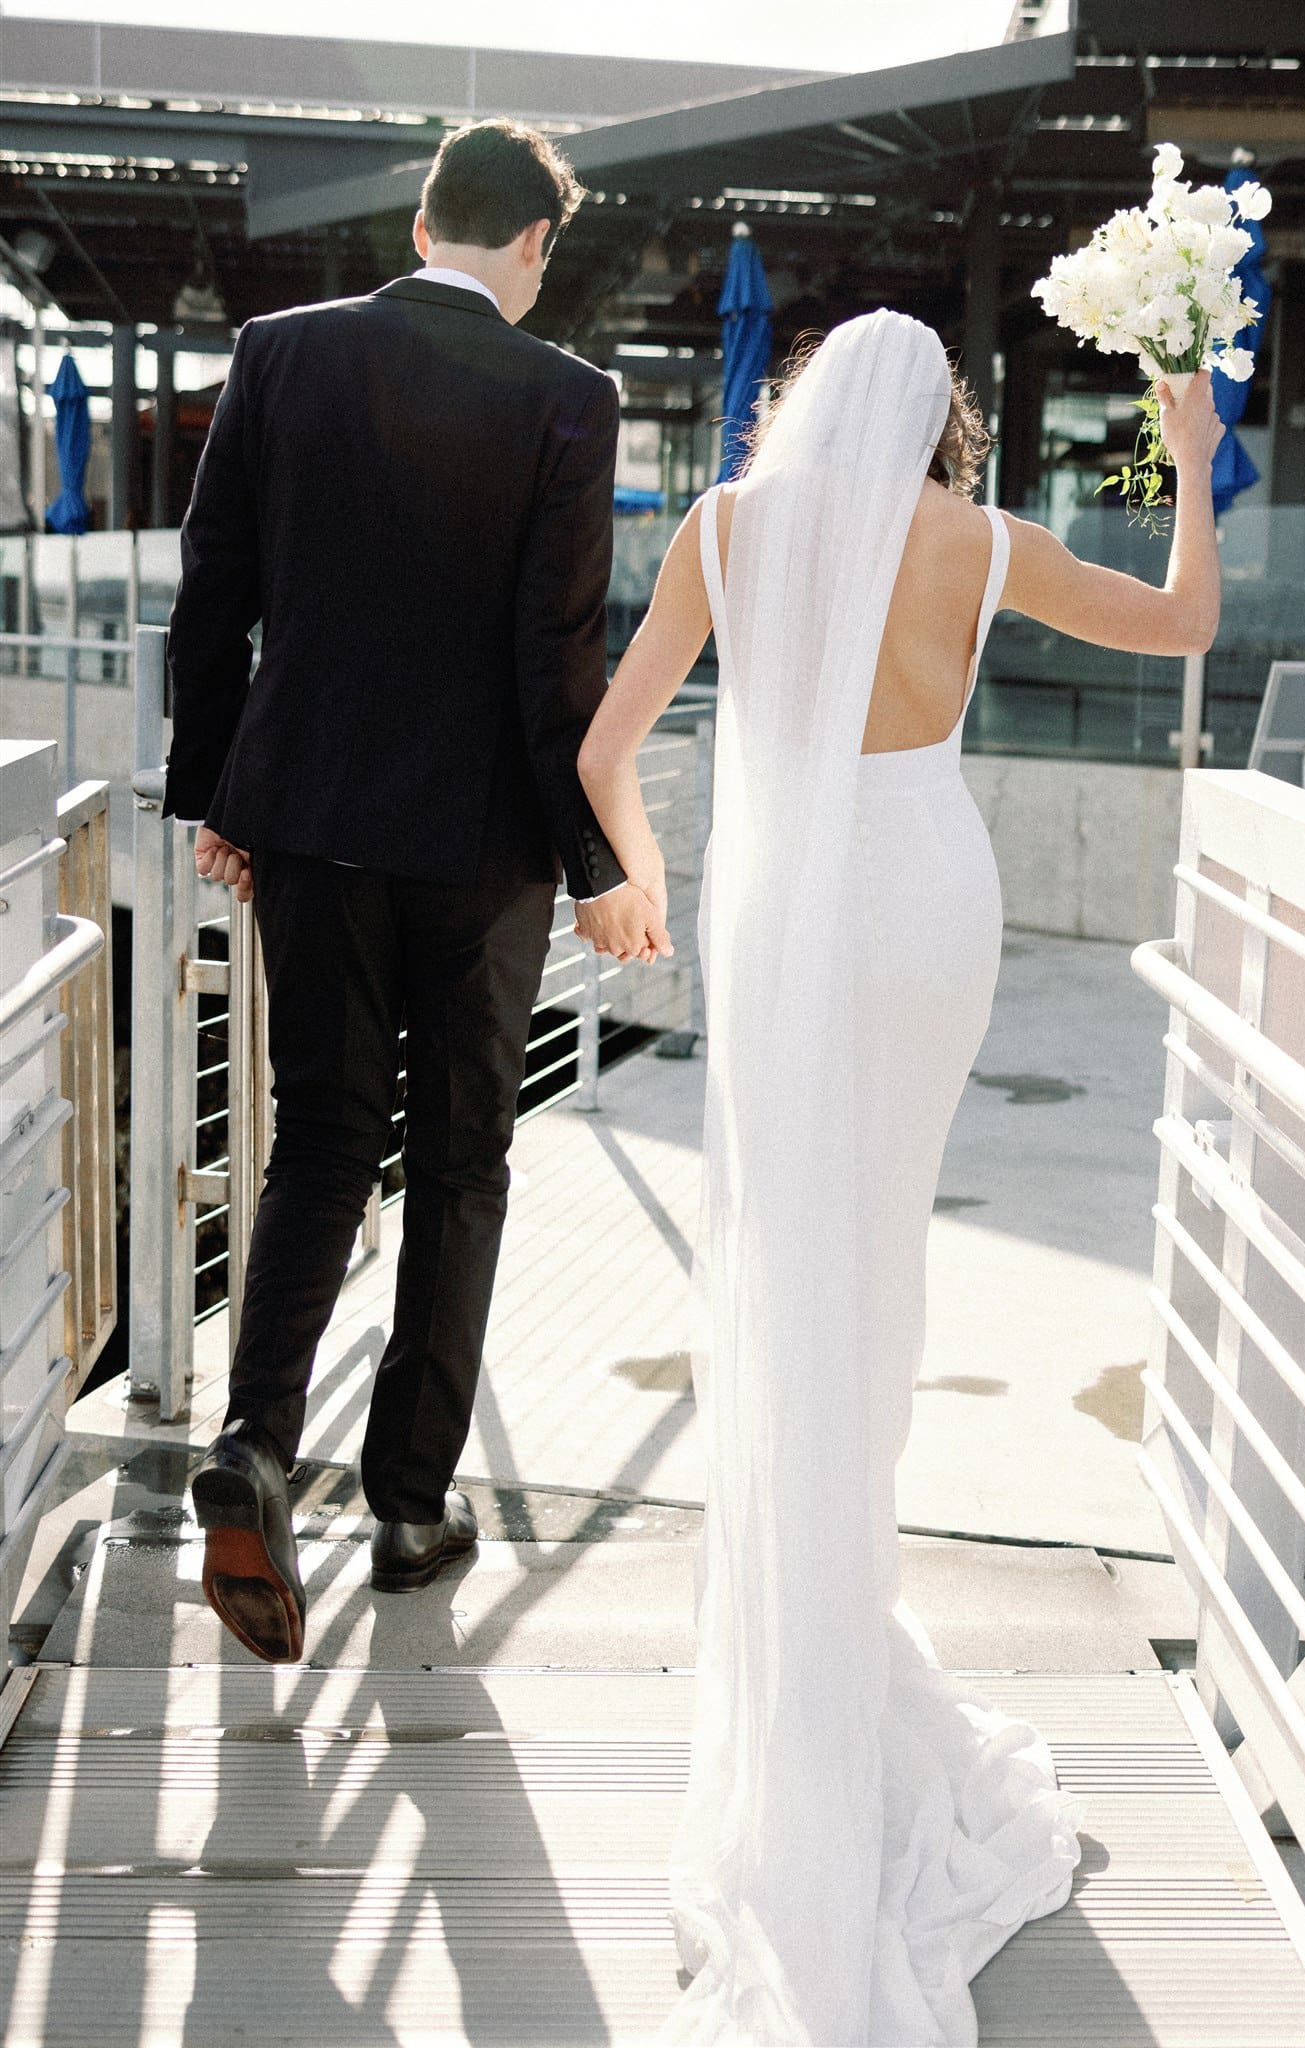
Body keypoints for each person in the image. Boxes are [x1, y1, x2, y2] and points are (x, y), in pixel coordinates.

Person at [577, 311, 1223, 2044]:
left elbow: (601, 748)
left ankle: (812, 1675)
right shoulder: (979, 543)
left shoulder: (725, 531)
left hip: (787, 923)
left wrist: (626, 887)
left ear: (799, 409)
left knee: (793, 1282)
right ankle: (845, 1656)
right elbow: (1184, 627)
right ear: (944, 421)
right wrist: (1190, 435)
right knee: (880, 1280)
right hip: (930, 909)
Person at [165, 118, 668, 1665]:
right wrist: (597, 864)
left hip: (306, 829)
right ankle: (405, 1505)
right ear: (531, 246)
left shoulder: (280, 355)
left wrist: (217, 798)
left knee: (319, 1141)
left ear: (423, 222)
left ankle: (255, 1443)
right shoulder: (569, 399)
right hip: (481, 853)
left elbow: (214, 599)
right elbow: (553, 660)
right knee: (459, 1165)